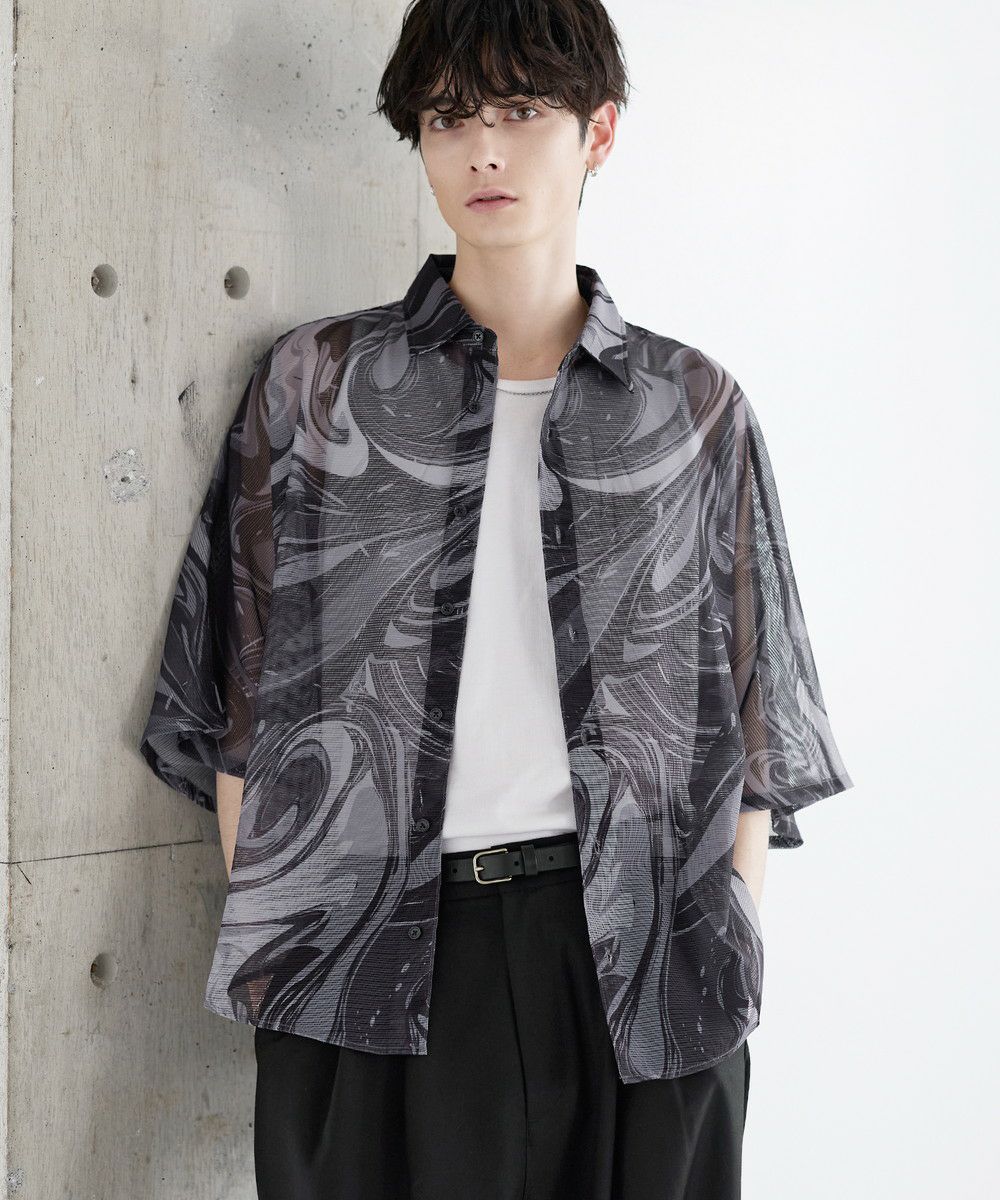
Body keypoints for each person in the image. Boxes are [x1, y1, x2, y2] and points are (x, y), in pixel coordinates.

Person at [137, 1, 854, 1197]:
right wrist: (299, 940)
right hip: (370, 958)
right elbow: (237, 693)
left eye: (520, 111)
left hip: (638, 969)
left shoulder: (689, 410)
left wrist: (724, 919)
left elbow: (756, 718)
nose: (480, 150)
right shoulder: (319, 389)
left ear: (597, 132)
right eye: (446, 117)